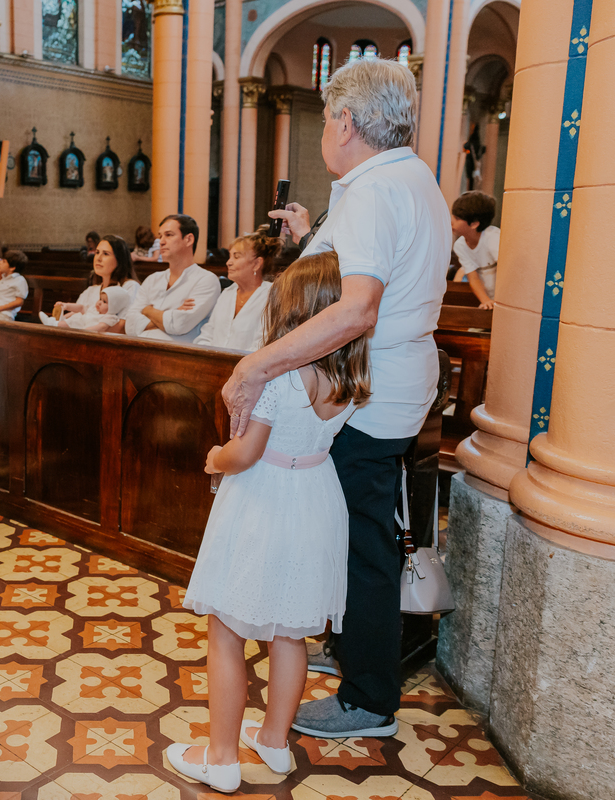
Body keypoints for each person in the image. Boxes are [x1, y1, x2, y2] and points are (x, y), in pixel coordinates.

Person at [224, 58, 450, 739]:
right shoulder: (403, 179)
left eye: (326, 118)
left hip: (368, 396)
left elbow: (356, 311)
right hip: (381, 388)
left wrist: (256, 366)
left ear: (348, 122)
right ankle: (354, 655)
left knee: (362, 546)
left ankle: (368, 698)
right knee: (352, 531)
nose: (326, 129)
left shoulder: (378, 191)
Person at [166, 252, 372, 792]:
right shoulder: (350, 373)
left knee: (227, 631)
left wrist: (216, 456)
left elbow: (247, 452)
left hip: (264, 502)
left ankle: (221, 758)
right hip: (315, 498)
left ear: (291, 312)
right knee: (290, 632)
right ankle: (275, 743)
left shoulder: (280, 375)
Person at [123, 215, 221, 344]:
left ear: (188, 239)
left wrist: (148, 310)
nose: (161, 242)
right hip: (140, 351)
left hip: (177, 357)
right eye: (160, 236)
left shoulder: (206, 280)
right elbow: (130, 325)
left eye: (169, 235)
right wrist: (171, 314)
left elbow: (179, 324)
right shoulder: (152, 279)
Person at [192, 231, 279, 352]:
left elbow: (263, 344)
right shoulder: (227, 293)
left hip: (249, 367)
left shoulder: (272, 295)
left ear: (257, 263)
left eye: (236, 256)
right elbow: (208, 333)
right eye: (230, 256)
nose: (228, 262)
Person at [44, 234, 140, 326]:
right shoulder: (91, 291)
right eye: (97, 252)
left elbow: (123, 326)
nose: (98, 258)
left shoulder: (130, 286)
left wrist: (85, 329)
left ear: (120, 260)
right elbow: (75, 316)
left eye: (106, 254)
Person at [451, 191, 499, 309]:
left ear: (474, 224)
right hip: (491, 301)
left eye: (457, 218)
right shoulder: (460, 245)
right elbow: (474, 278)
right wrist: (486, 301)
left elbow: (508, 274)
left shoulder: (493, 238)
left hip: (505, 301)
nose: (451, 221)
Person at [45, 285, 131, 332]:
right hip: (78, 325)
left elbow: (101, 327)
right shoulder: (94, 309)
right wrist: (66, 306)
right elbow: (81, 307)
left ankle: (54, 324)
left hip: (83, 329)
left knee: (73, 322)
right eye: (100, 299)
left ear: (114, 306)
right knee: (73, 320)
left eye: (104, 302)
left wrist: (84, 331)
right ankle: (53, 323)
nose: (100, 302)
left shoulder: (110, 317)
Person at [0, 249, 29, 321]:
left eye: (3, 262)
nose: (0, 263)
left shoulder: (19, 280)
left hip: (5, 314)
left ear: (12, 268)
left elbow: (19, 301)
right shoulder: (2, 280)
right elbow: (0, 297)